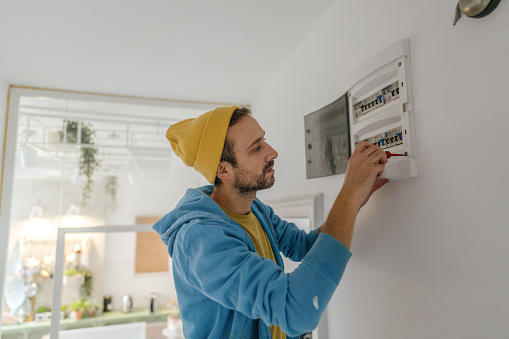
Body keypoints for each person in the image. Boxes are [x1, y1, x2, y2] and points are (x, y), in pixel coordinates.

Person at [153, 106, 389, 339]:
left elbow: (304, 246)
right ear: (223, 170)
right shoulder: (199, 239)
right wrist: (348, 195)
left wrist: (353, 201)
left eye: (264, 140)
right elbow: (296, 311)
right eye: (256, 148)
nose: (273, 152)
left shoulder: (255, 209)